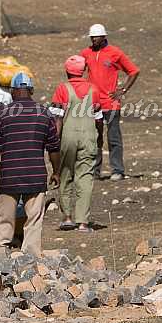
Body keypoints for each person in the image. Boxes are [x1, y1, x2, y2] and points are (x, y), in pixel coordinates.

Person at [0, 73, 60, 255]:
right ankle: (31, 257)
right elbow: (54, 148)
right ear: (32, 90)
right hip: (35, 176)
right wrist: (56, 172)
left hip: (9, 176)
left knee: (4, 219)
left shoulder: (2, 114)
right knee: (34, 220)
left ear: (12, 91)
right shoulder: (45, 114)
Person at [49, 55, 102, 231]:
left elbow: (56, 118)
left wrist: (54, 140)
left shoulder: (62, 89)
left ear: (67, 72)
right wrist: (100, 136)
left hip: (67, 137)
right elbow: (99, 118)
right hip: (88, 136)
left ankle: (67, 217)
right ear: (84, 70)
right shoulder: (93, 89)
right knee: (85, 177)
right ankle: (83, 222)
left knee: (65, 174)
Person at [81, 23, 139, 180]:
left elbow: (133, 71)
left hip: (111, 103)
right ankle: (94, 171)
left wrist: (123, 90)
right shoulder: (86, 53)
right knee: (94, 137)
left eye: (96, 37)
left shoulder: (115, 53)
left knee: (113, 137)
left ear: (104, 37)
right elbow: (77, 70)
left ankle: (117, 170)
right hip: (93, 104)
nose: (93, 40)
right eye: (91, 37)